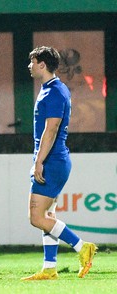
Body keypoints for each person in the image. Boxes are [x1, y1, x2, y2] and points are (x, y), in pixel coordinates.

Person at [21, 46, 97, 281]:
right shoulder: (53, 89)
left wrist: (39, 162)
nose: (29, 66)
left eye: (32, 62)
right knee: (48, 214)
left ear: (42, 64)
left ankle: (81, 246)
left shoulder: (53, 92)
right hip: (55, 159)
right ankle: (49, 267)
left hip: (52, 161)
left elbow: (51, 128)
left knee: (36, 217)